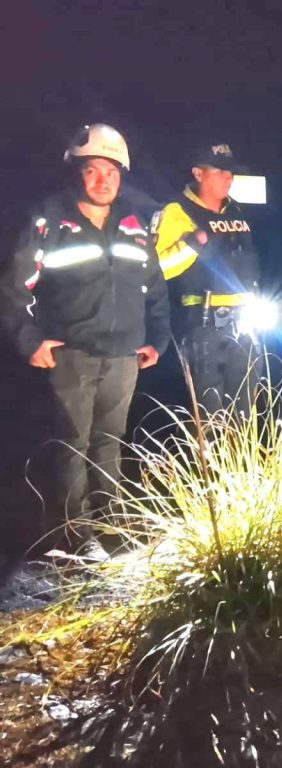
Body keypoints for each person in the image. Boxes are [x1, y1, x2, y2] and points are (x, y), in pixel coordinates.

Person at [1, 124, 170, 558]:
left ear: (122, 175)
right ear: (76, 172)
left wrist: (158, 338)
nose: (102, 181)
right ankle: (71, 538)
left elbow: (155, 285)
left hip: (124, 354)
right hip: (71, 353)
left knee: (109, 441)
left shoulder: (133, 226)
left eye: (111, 171)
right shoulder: (49, 221)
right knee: (71, 443)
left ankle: (109, 526)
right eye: (93, 170)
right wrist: (29, 339)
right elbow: (16, 288)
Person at [152, 143, 262, 413]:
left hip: (246, 323)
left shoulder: (237, 211)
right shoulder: (176, 211)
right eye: (220, 171)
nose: (228, 177)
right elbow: (157, 268)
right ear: (198, 173)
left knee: (245, 411)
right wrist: (191, 245)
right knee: (209, 412)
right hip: (202, 323)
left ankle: (241, 456)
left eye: (230, 173)